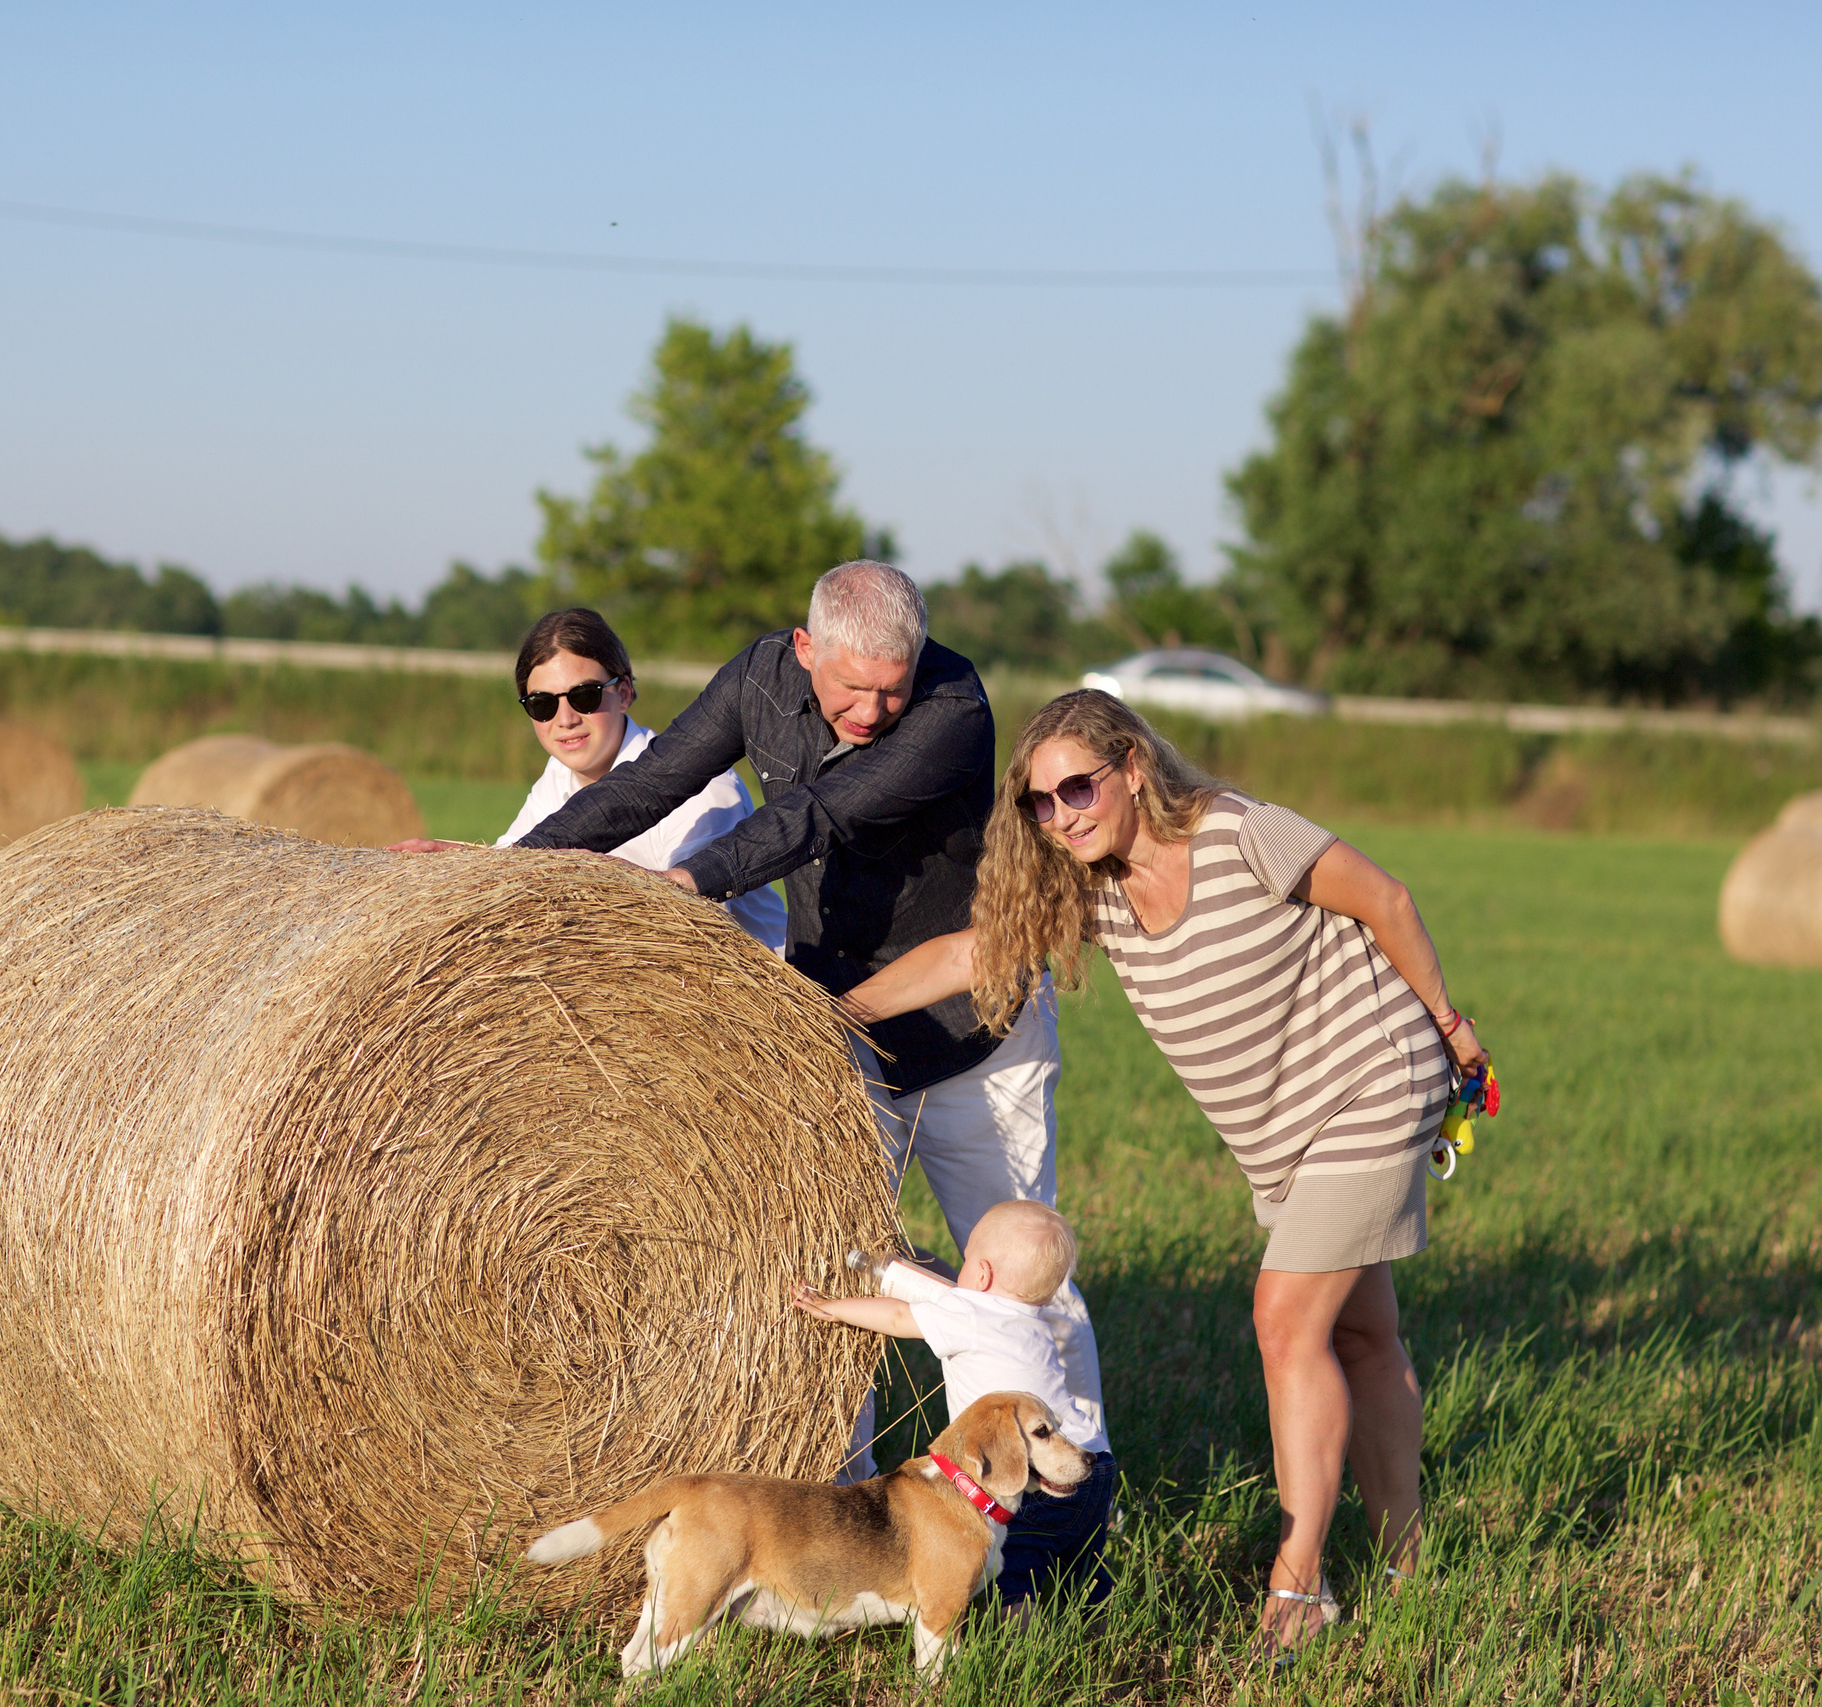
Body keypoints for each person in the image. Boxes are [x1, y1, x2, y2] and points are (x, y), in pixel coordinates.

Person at [842, 688, 1488, 1660]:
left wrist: (1450, 1027)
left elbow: (1384, 898)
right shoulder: (1086, 891)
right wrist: (828, 1013)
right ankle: (1405, 1557)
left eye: (1077, 788)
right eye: (1038, 804)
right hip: (1281, 1136)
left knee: (1283, 1318)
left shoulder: (1241, 836)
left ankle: (1297, 1580)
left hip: (1373, 1080)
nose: (1061, 815)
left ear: (1133, 767)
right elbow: (966, 956)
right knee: (1359, 1331)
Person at [501, 561, 1106, 1481]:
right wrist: (505, 874)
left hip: (977, 1031)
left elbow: (817, 816)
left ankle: (1081, 1477)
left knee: (1024, 1282)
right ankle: (846, 1484)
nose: (870, 710)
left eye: (889, 688)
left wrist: (686, 882)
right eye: (851, 688)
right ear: (805, 649)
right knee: (844, 1265)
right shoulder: (757, 678)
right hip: (839, 1023)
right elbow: (652, 779)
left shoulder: (954, 705)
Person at [790, 1200, 1115, 1611]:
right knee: (1084, 1564)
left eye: (964, 1262)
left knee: (1015, 1565)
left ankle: (1016, 1648)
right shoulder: (1036, 1323)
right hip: (1093, 1461)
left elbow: (896, 1316)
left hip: (1032, 1470)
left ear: (982, 1274)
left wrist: (832, 1309)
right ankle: (1100, 1619)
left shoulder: (969, 1312)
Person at [402, 608, 786, 948]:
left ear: (625, 693)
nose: (565, 719)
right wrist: (455, 863)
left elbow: (693, 922)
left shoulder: (705, 789)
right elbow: (513, 869)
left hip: (751, 1003)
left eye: (584, 697)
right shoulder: (559, 776)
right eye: (542, 704)